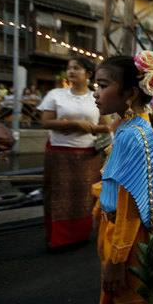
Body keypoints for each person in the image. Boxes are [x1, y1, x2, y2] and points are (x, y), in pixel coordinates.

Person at [91, 52, 153, 304]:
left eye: (102, 85)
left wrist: (116, 260)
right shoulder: (133, 126)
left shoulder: (133, 135)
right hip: (121, 236)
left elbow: (130, 208)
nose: (95, 93)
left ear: (130, 93)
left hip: (127, 242)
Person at [37, 57, 111, 249]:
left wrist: (88, 127)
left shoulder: (97, 97)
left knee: (83, 196)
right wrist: (74, 123)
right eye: (69, 68)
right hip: (59, 152)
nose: (71, 72)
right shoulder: (55, 95)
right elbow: (45, 122)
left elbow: (107, 127)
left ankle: (80, 236)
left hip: (87, 154)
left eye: (76, 68)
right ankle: (57, 239)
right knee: (58, 195)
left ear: (88, 74)